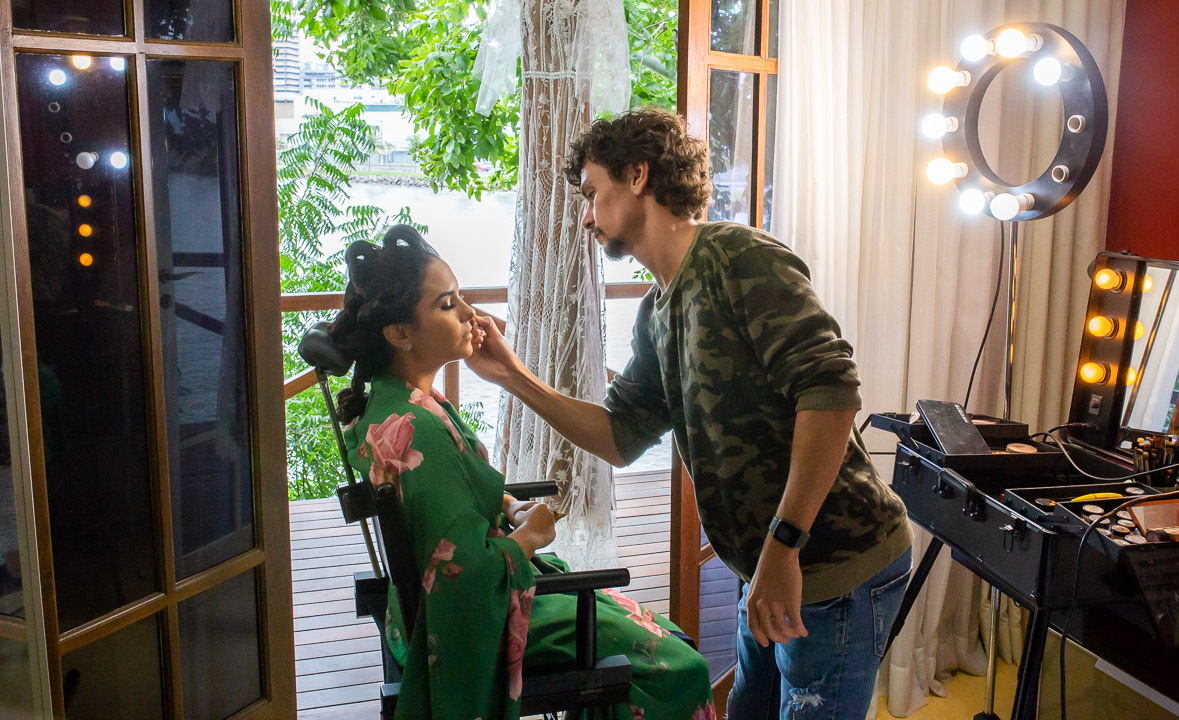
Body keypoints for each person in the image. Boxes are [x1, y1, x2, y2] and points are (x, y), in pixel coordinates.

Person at [466, 109, 913, 719]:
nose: (586, 216)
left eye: (592, 193)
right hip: (768, 567)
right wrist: (512, 376)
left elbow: (831, 392)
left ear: (638, 176)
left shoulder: (740, 259)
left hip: (834, 565)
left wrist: (783, 545)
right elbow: (620, 435)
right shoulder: (656, 312)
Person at [328, 224, 715, 720]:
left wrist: (509, 506)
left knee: (646, 628)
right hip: (475, 620)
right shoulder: (418, 428)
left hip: (428, 612)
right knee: (681, 665)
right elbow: (464, 573)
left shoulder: (395, 407)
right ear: (399, 333)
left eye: (461, 297)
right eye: (446, 305)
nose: (470, 314)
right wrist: (531, 536)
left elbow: (450, 502)